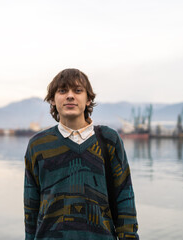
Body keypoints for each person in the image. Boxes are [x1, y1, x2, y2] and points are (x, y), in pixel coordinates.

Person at [24, 68, 139, 240]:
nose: (70, 96)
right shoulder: (38, 145)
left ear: (88, 100)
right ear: (53, 100)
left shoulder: (109, 140)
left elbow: (125, 199)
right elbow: (31, 209)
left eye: (78, 91)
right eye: (62, 91)